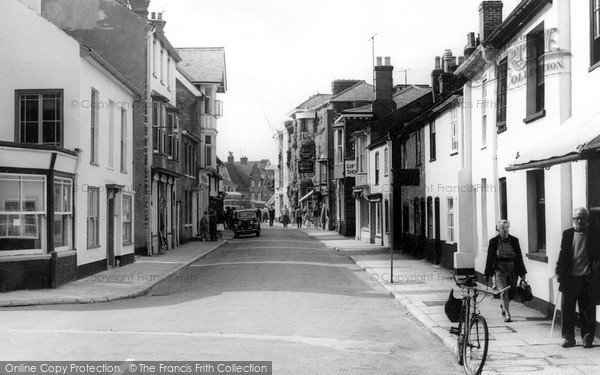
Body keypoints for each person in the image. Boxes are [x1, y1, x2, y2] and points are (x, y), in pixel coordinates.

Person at [556, 207, 599, 348]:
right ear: (573, 220)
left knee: (587, 311)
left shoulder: (594, 234)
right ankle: (569, 338)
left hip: (587, 278)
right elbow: (563, 255)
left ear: (587, 219)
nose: (579, 221)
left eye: (582, 218)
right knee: (567, 310)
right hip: (570, 278)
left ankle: (587, 338)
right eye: (576, 218)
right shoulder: (567, 234)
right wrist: (559, 273)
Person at [484, 219, 527, 323]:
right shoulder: (494, 241)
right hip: (500, 269)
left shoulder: (514, 240)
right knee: (504, 290)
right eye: (502, 228)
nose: (505, 230)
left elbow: (519, 256)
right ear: (498, 229)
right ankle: (507, 314)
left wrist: (522, 272)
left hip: (512, 268)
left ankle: (503, 305)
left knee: (512, 292)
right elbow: (490, 257)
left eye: (507, 227)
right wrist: (487, 273)